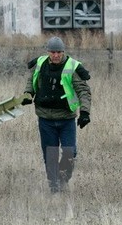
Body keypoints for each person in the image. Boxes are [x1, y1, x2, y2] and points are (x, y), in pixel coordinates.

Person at [21, 36, 91, 193]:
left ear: (63, 52)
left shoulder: (72, 67)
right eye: (53, 52)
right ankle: (54, 187)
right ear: (48, 52)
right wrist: (27, 94)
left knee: (70, 152)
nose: (56, 55)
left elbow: (83, 91)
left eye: (59, 52)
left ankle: (63, 179)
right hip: (45, 118)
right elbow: (31, 80)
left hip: (66, 119)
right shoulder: (40, 64)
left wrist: (85, 112)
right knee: (50, 155)